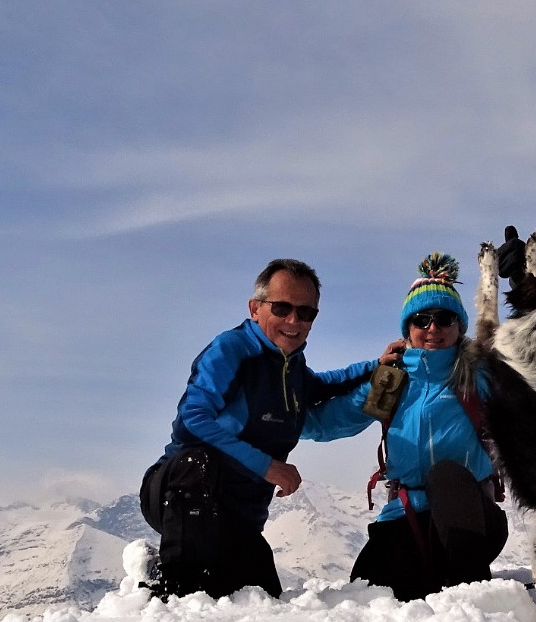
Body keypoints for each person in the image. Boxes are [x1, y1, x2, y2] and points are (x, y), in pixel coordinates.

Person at [139, 257, 392, 599]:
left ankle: (162, 564)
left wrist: (376, 365)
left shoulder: (291, 366)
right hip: (181, 492)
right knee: (197, 464)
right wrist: (268, 466)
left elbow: (321, 385)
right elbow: (192, 421)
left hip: (238, 516)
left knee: (261, 599)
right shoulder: (231, 349)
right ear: (255, 308)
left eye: (306, 312)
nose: (293, 320)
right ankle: (170, 586)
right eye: (282, 307)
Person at [305, 252, 507, 601]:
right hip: (406, 518)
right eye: (421, 319)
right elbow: (325, 423)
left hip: (470, 521)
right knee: (363, 598)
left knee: (446, 476)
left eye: (444, 318)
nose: (433, 329)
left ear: (459, 327)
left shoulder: (479, 377)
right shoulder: (391, 384)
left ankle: (479, 606)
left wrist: (524, 287)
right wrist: (268, 414)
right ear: (407, 330)